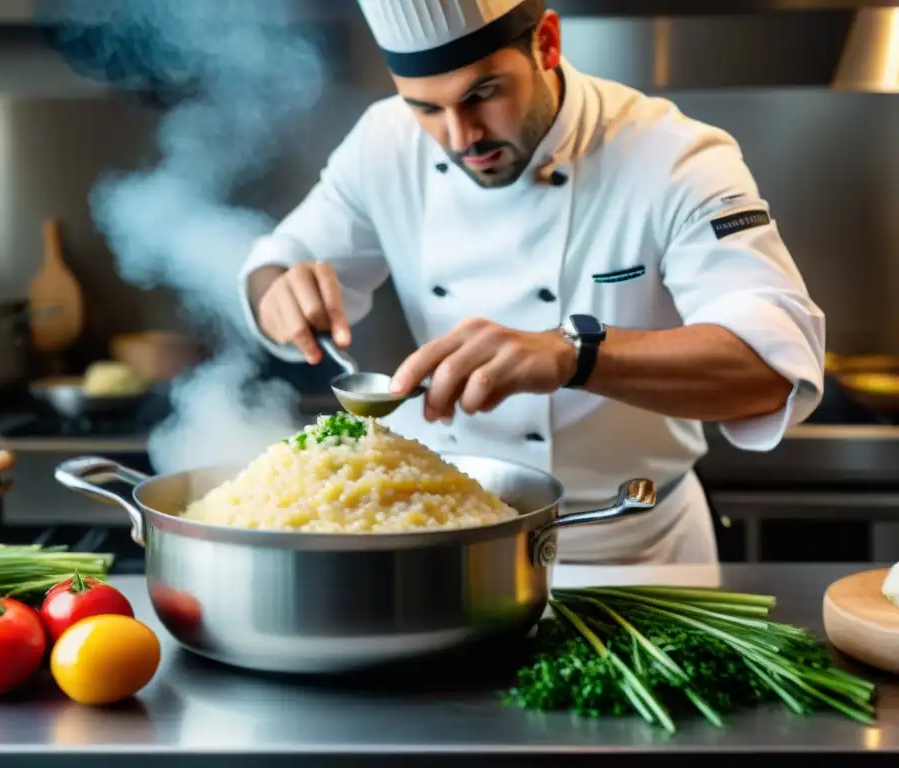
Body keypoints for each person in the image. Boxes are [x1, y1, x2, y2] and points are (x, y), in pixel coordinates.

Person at [237, 0, 826, 564]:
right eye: (426, 108)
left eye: (483, 94)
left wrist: (574, 355)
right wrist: (280, 291)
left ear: (546, 42)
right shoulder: (384, 141)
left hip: (636, 548)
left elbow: (772, 370)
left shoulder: (676, 157)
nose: (461, 136)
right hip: (451, 544)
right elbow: (279, 261)